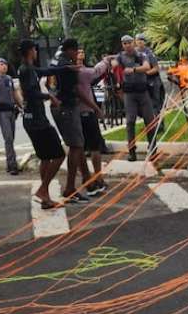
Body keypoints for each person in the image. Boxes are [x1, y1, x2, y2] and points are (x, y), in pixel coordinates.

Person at [16, 40, 66, 208]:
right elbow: (31, 93)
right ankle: (43, 190)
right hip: (38, 122)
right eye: (35, 50)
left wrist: (64, 68)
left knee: (45, 157)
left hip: (31, 121)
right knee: (59, 155)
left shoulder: (26, 68)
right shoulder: (27, 69)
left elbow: (46, 70)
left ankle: (45, 198)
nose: (36, 52)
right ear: (31, 51)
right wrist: (49, 97)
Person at [49, 38, 89, 203]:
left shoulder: (56, 60)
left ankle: (83, 181)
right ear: (71, 50)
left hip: (59, 107)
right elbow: (77, 90)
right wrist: (94, 106)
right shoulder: (68, 66)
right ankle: (69, 188)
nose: (77, 55)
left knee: (76, 145)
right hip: (66, 107)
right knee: (76, 146)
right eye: (76, 51)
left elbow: (48, 83)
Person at [76, 48, 111, 196]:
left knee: (81, 148)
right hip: (86, 112)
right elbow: (97, 71)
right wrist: (106, 60)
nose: (81, 54)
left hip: (74, 114)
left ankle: (90, 178)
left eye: (83, 52)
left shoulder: (65, 71)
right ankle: (95, 178)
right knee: (93, 147)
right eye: (77, 52)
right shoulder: (80, 72)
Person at [117, 35, 157, 161]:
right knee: (130, 122)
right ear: (122, 45)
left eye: (129, 42)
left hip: (143, 92)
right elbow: (113, 65)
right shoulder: (120, 57)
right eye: (124, 43)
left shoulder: (141, 55)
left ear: (133, 43)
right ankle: (132, 151)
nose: (127, 45)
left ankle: (153, 149)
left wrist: (133, 69)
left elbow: (147, 67)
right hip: (129, 93)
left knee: (150, 121)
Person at [0, 58, 24, 175]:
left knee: (11, 138)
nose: (4, 66)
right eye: (1, 64)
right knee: (8, 138)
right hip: (2, 112)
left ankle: (10, 163)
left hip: (11, 111)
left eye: (5, 64)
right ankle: (13, 166)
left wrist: (21, 106)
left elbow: (14, 94)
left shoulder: (8, 79)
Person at [136, 33, 165, 138]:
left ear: (145, 42)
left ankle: (160, 126)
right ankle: (150, 126)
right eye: (138, 40)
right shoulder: (134, 53)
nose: (140, 42)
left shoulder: (149, 53)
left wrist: (145, 73)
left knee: (155, 105)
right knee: (144, 106)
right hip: (142, 83)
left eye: (142, 40)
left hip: (154, 82)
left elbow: (156, 68)